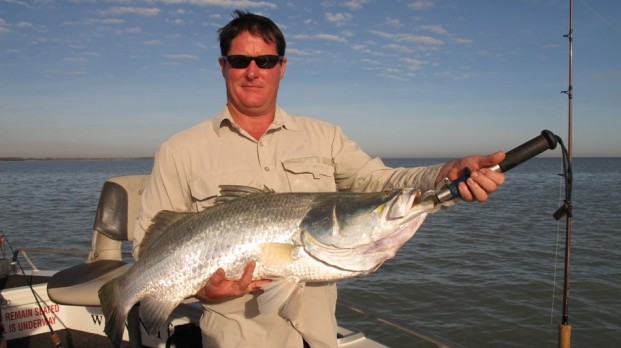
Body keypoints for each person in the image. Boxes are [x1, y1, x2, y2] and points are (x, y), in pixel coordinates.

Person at [133, 10, 506, 348]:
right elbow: (147, 249)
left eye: (265, 61)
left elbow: (379, 182)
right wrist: (203, 292)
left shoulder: (324, 137)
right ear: (222, 66)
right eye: (239, 60)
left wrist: (444, 174)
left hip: (319, 336)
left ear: (282, 66)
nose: (252, 71)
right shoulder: (179, 150)